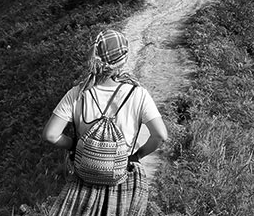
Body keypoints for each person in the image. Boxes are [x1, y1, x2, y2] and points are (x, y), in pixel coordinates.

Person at [43, 29, 168, 215]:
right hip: (124, 176)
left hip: (85, 177)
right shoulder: (138, 94)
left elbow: (50, 135)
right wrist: (137, 155)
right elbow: (160, 135)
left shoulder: (77, 93)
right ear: (123, 60)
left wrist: (75, 146)